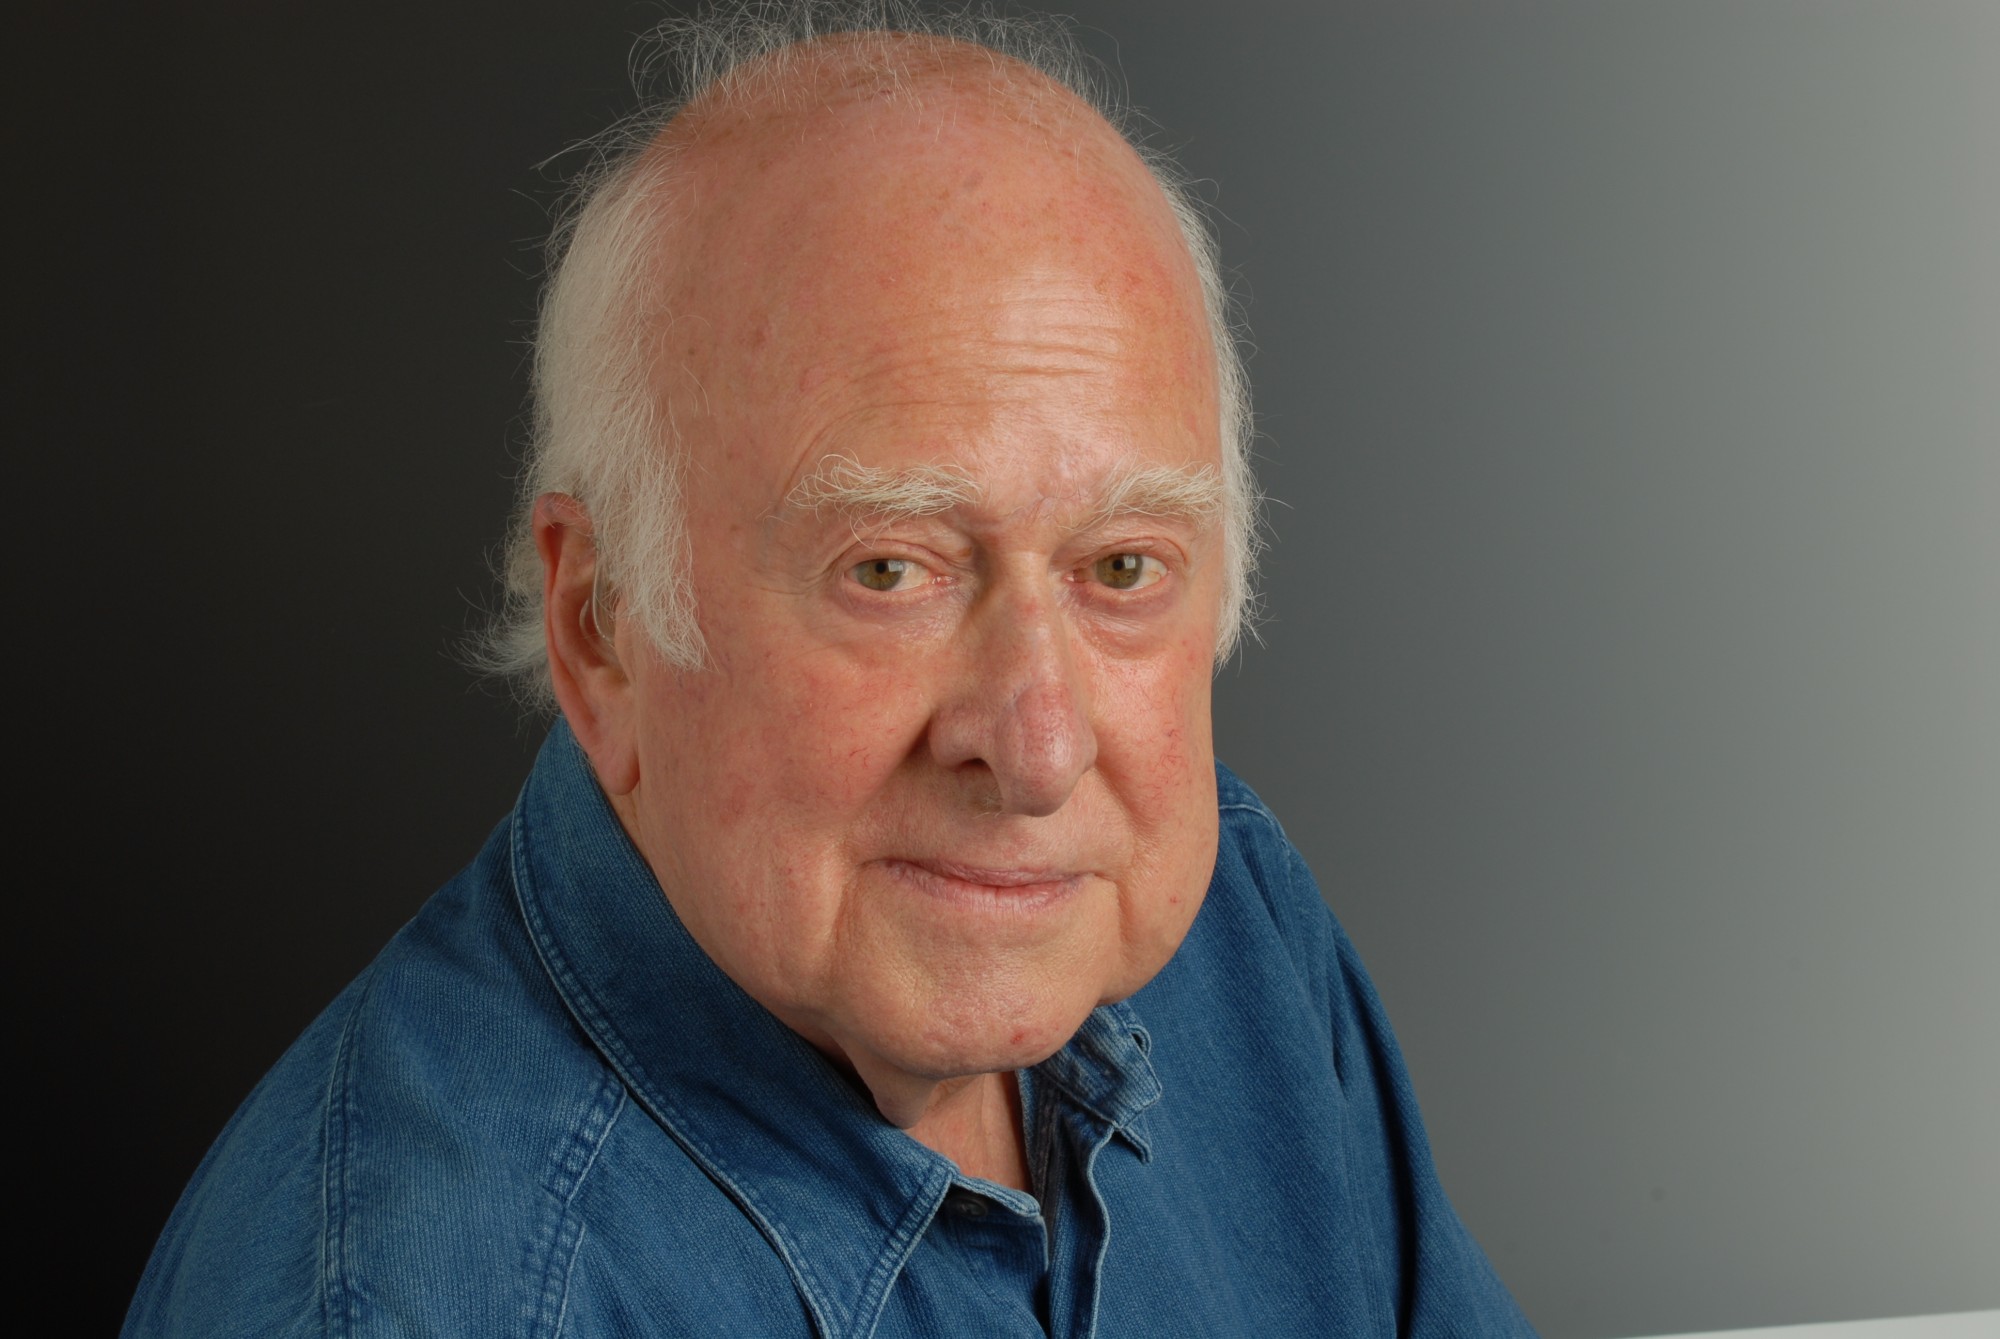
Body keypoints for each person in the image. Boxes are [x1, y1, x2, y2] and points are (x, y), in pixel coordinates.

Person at [125, 4, 1535, 1334]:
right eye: (891, 569)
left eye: (1120, 569)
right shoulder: (428, 1297)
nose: (1038, 751)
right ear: (603, 625)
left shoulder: (1236, 936)